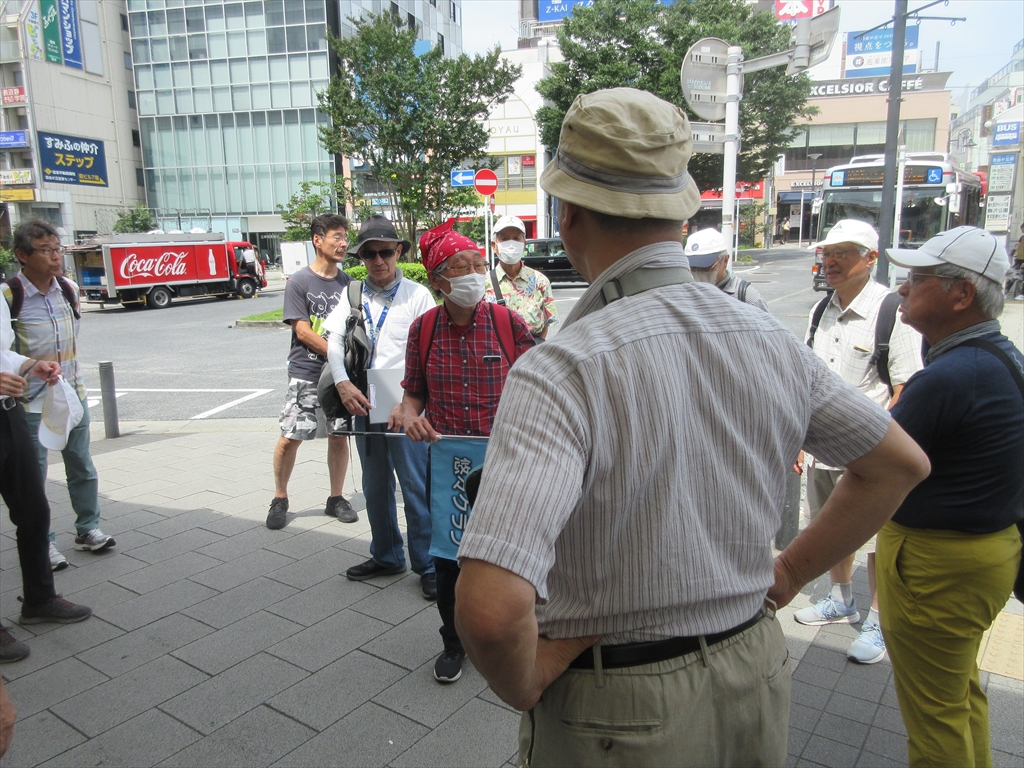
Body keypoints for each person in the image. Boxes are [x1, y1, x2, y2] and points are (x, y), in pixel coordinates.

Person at [451, 87, 929, 767]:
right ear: (681, 214)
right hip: (755, 669)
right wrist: (790, 570)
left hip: (618, 705)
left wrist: (525, 679)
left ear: (570, 214)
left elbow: (492, 612)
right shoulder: (769, 337)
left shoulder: (562, 369)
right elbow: (899, 463)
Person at [879, 227, 1023, 768]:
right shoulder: (997, 358)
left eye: (917, 279)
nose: (902, 289)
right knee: (959, 694)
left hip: (935, 565)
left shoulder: (951, 377)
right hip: (984, 553)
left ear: (961, 294)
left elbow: (874, 464)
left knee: (933, 715)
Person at [394, 219, 534, 684]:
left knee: (513, 554)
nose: (475, 273)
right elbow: (412, 394)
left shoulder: (506, 322)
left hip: (508, 462)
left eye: (478, 263)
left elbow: (542, 384)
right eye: (461, 266)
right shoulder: (424, 330)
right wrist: (411, 415)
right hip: (450, 463)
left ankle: (521, 633)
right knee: (450, 559)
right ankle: (454, 643)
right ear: (439, 281)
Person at [794, 219, 923, 665]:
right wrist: (799, 439)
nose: (830, 261)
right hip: (822, 451)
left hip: (867, 455)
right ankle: (841, 598)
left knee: (878, 544)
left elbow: (906, 387)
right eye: (827, 252)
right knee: (830, 527)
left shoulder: (891, 311)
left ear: (870, 258)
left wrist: (877, 447)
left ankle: (877, 619)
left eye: (844, 252)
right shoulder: (821, 309)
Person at [324, 215, 438, 599]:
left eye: (385, 252)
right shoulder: (352, 294)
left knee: (415, 485)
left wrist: (410, 403)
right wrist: (341, 382)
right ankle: (387, 554)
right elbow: (334, 340)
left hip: (405, 402)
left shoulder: (418, 295)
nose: (378, 261)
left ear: (399, 252)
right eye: (369, 254)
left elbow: (426, 354)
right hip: (363, 398)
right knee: (374, 485)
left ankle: (428, 563)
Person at [1, 219, 114, 571]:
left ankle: (88, 528)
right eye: (45, 250)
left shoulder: (67, 288)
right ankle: (44, 544)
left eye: (57, 249)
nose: (55, 257)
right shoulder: (9, 296)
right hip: (29, 402)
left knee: (81, 464)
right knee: (34, 478)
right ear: (22, 255)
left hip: (71, 393)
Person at [1, 297, 92, 662]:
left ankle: (39, 599)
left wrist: (29, 364)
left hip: (7, 413)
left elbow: (1, 351)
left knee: (34, 510)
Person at [267, 213, 355, 530]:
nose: (343, 242)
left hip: (338, 377)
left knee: (339, 435)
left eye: (345, 236)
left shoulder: (349, 284)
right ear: (317, 240)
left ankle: (336, 498)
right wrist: (336, 355)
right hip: (306, 372)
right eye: (336, 236)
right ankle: (280, 498)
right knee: (291, 437)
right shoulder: (300, 282)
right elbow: (303, 332)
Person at [485, 215, 558, 339]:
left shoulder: (540, 281)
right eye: (504, 238)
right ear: (494, 245)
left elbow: (547, 322)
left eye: (516, 238)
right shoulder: (484, 282)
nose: (511, 243)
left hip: (532, 353)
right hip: (497, 353)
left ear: (524, 244)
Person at [684, 228, 769, 311]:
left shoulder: (747, 298)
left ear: (725, 261)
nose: (698, 272)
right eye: (693, 268)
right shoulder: (686, 295)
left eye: (706, 268)